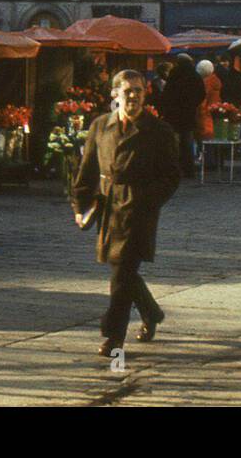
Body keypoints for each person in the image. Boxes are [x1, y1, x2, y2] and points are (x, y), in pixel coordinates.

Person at [72, 70, 182, 354]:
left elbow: (172, 176)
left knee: (122, 272)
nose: (133, 96)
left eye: (139, 90)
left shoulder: (159, 130)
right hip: (109, 207)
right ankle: (152, 312)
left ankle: (113, 336)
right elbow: (87, 169)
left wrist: (149, 199)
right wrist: (80, 205)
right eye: (128, 90)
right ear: (114, 94)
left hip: (139, 208)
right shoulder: (100, 126)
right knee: (123, 269)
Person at [157, 54, 205, 181]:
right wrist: (192, 104)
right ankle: (189, 170)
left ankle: (174, 169)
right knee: (188, 142)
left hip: (173, 114)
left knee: (174, 142)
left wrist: (168, 107)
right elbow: (202, 93)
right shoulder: (195, 76)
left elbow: (167, 93)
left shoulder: (174, 74)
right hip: (188, 113)